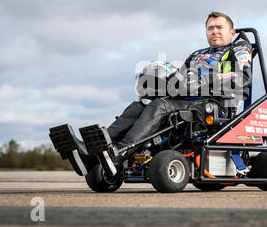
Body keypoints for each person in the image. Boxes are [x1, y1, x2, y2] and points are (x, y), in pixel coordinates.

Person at [49, 12, 252, 176]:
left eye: (219, 27)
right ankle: (95, 152)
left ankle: (119, 152)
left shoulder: (238, 49)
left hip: (215, 107)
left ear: (231, 31)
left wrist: (201, 82)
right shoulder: (198, 54)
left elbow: (243, 78)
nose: (214, 31)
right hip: (184, 102)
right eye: (210, 28)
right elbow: (179, 78)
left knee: (160, 106)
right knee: (139, 106)